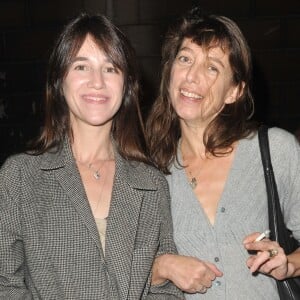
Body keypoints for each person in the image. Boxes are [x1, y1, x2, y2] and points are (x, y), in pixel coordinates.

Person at [0, 13, 183, 299]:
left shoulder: (151, 183)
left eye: (110, 69)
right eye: (81, 66)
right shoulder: (20, 176)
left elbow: (167, 289)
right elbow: (5, 285)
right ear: (60, 81)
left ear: (126, 86)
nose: (97, 82)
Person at [146, 7, 300, 299]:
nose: (192, 76)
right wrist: (162, 266)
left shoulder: (274, 150)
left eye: (212, 67)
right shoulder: (148, 168)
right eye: (185, 59)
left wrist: (288, 265)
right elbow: (122, 270)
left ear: (234, 92)